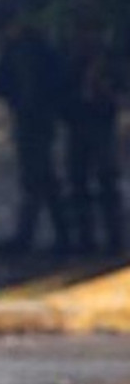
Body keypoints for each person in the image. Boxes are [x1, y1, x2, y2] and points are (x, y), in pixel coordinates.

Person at [0, 13, 70, 255]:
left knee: (37, 179)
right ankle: (56, 234)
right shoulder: (38, 49)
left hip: (33, 121)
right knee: (41, 179)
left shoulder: (26, 51)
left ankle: (40, 235)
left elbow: (4, 85)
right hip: (35, 120)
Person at [61, 23, 123, 256]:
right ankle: (85, 238)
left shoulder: (108, 63)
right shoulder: (71, 63)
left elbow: (117, 93)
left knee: (107, 182)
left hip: (100, 127)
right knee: (79, 184)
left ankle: (114, 237)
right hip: (79, 126)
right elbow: (62, 94)